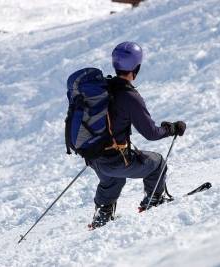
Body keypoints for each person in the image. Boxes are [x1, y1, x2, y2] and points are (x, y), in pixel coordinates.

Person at [88, 41, 186, 229]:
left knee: (113, 175)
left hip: (94, 156)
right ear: (137, 67)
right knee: (157, 163)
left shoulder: (103, 89)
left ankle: (103, 214)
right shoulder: (129, 97)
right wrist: (171, 128)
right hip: (113, 160)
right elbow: (151, 133)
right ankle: (154, 200)